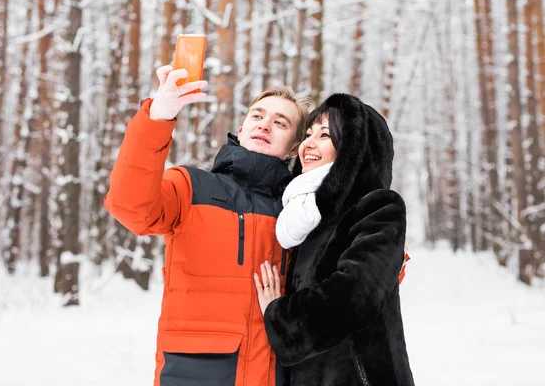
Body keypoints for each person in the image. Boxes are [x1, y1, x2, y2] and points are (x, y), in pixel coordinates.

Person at [104, 64, 311, 386]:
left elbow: (353, 276)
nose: (265, 125)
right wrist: (158, 117)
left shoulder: (300, 211)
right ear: (241, 129)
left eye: (280, 122)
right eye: (257, 116)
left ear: (295, 149)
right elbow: (130, 205)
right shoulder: (190, 186)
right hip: (196, 371)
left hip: (277, 371)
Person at [254, 93, 415, 386]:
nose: (308, 144)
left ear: (353, 149)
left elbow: (355, 295)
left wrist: (280, 317)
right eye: (308, 134)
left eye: (325, 135)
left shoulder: (378, 206)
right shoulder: (301, 220)